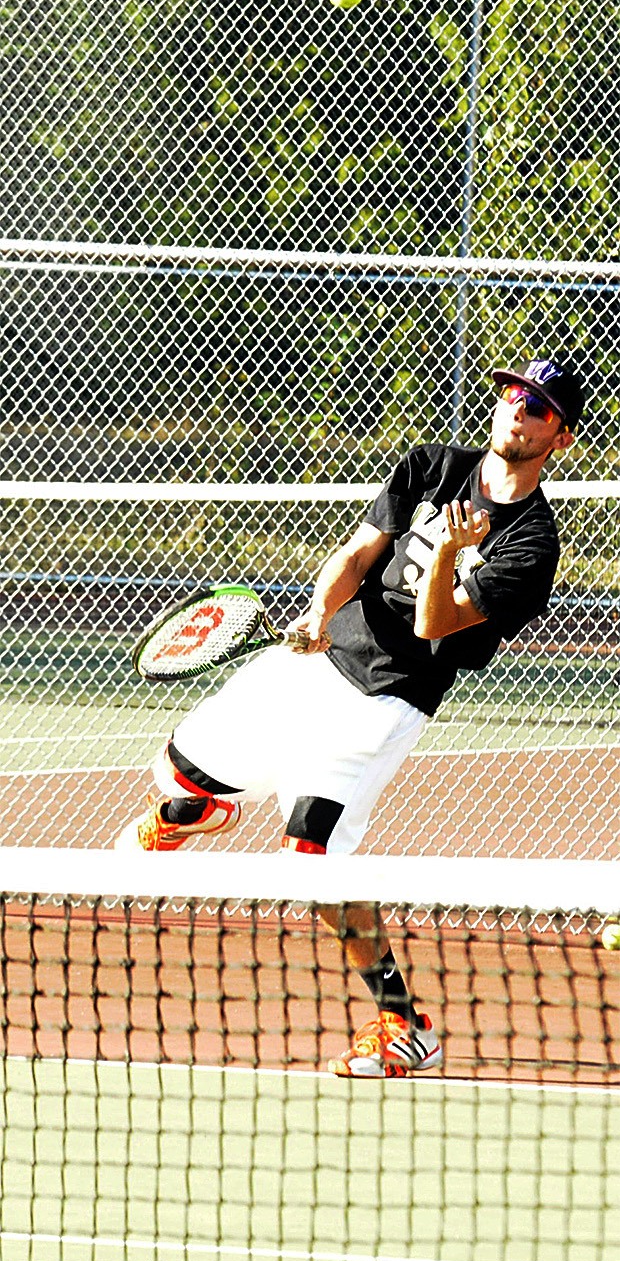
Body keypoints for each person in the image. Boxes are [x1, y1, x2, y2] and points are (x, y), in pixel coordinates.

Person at [116, 357, 585, 1078]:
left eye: (538, 407)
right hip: (316, 661)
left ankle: (403, 1024)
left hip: (384, 703)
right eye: (511, 396)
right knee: (180, 771)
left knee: (310, 868)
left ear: (561, 438)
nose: (516, 411)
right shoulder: (431, 466)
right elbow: (357, 552)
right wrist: (318, 613)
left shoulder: (531, 547)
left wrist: (454, 555)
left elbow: (437, 624)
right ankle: (202, 810)